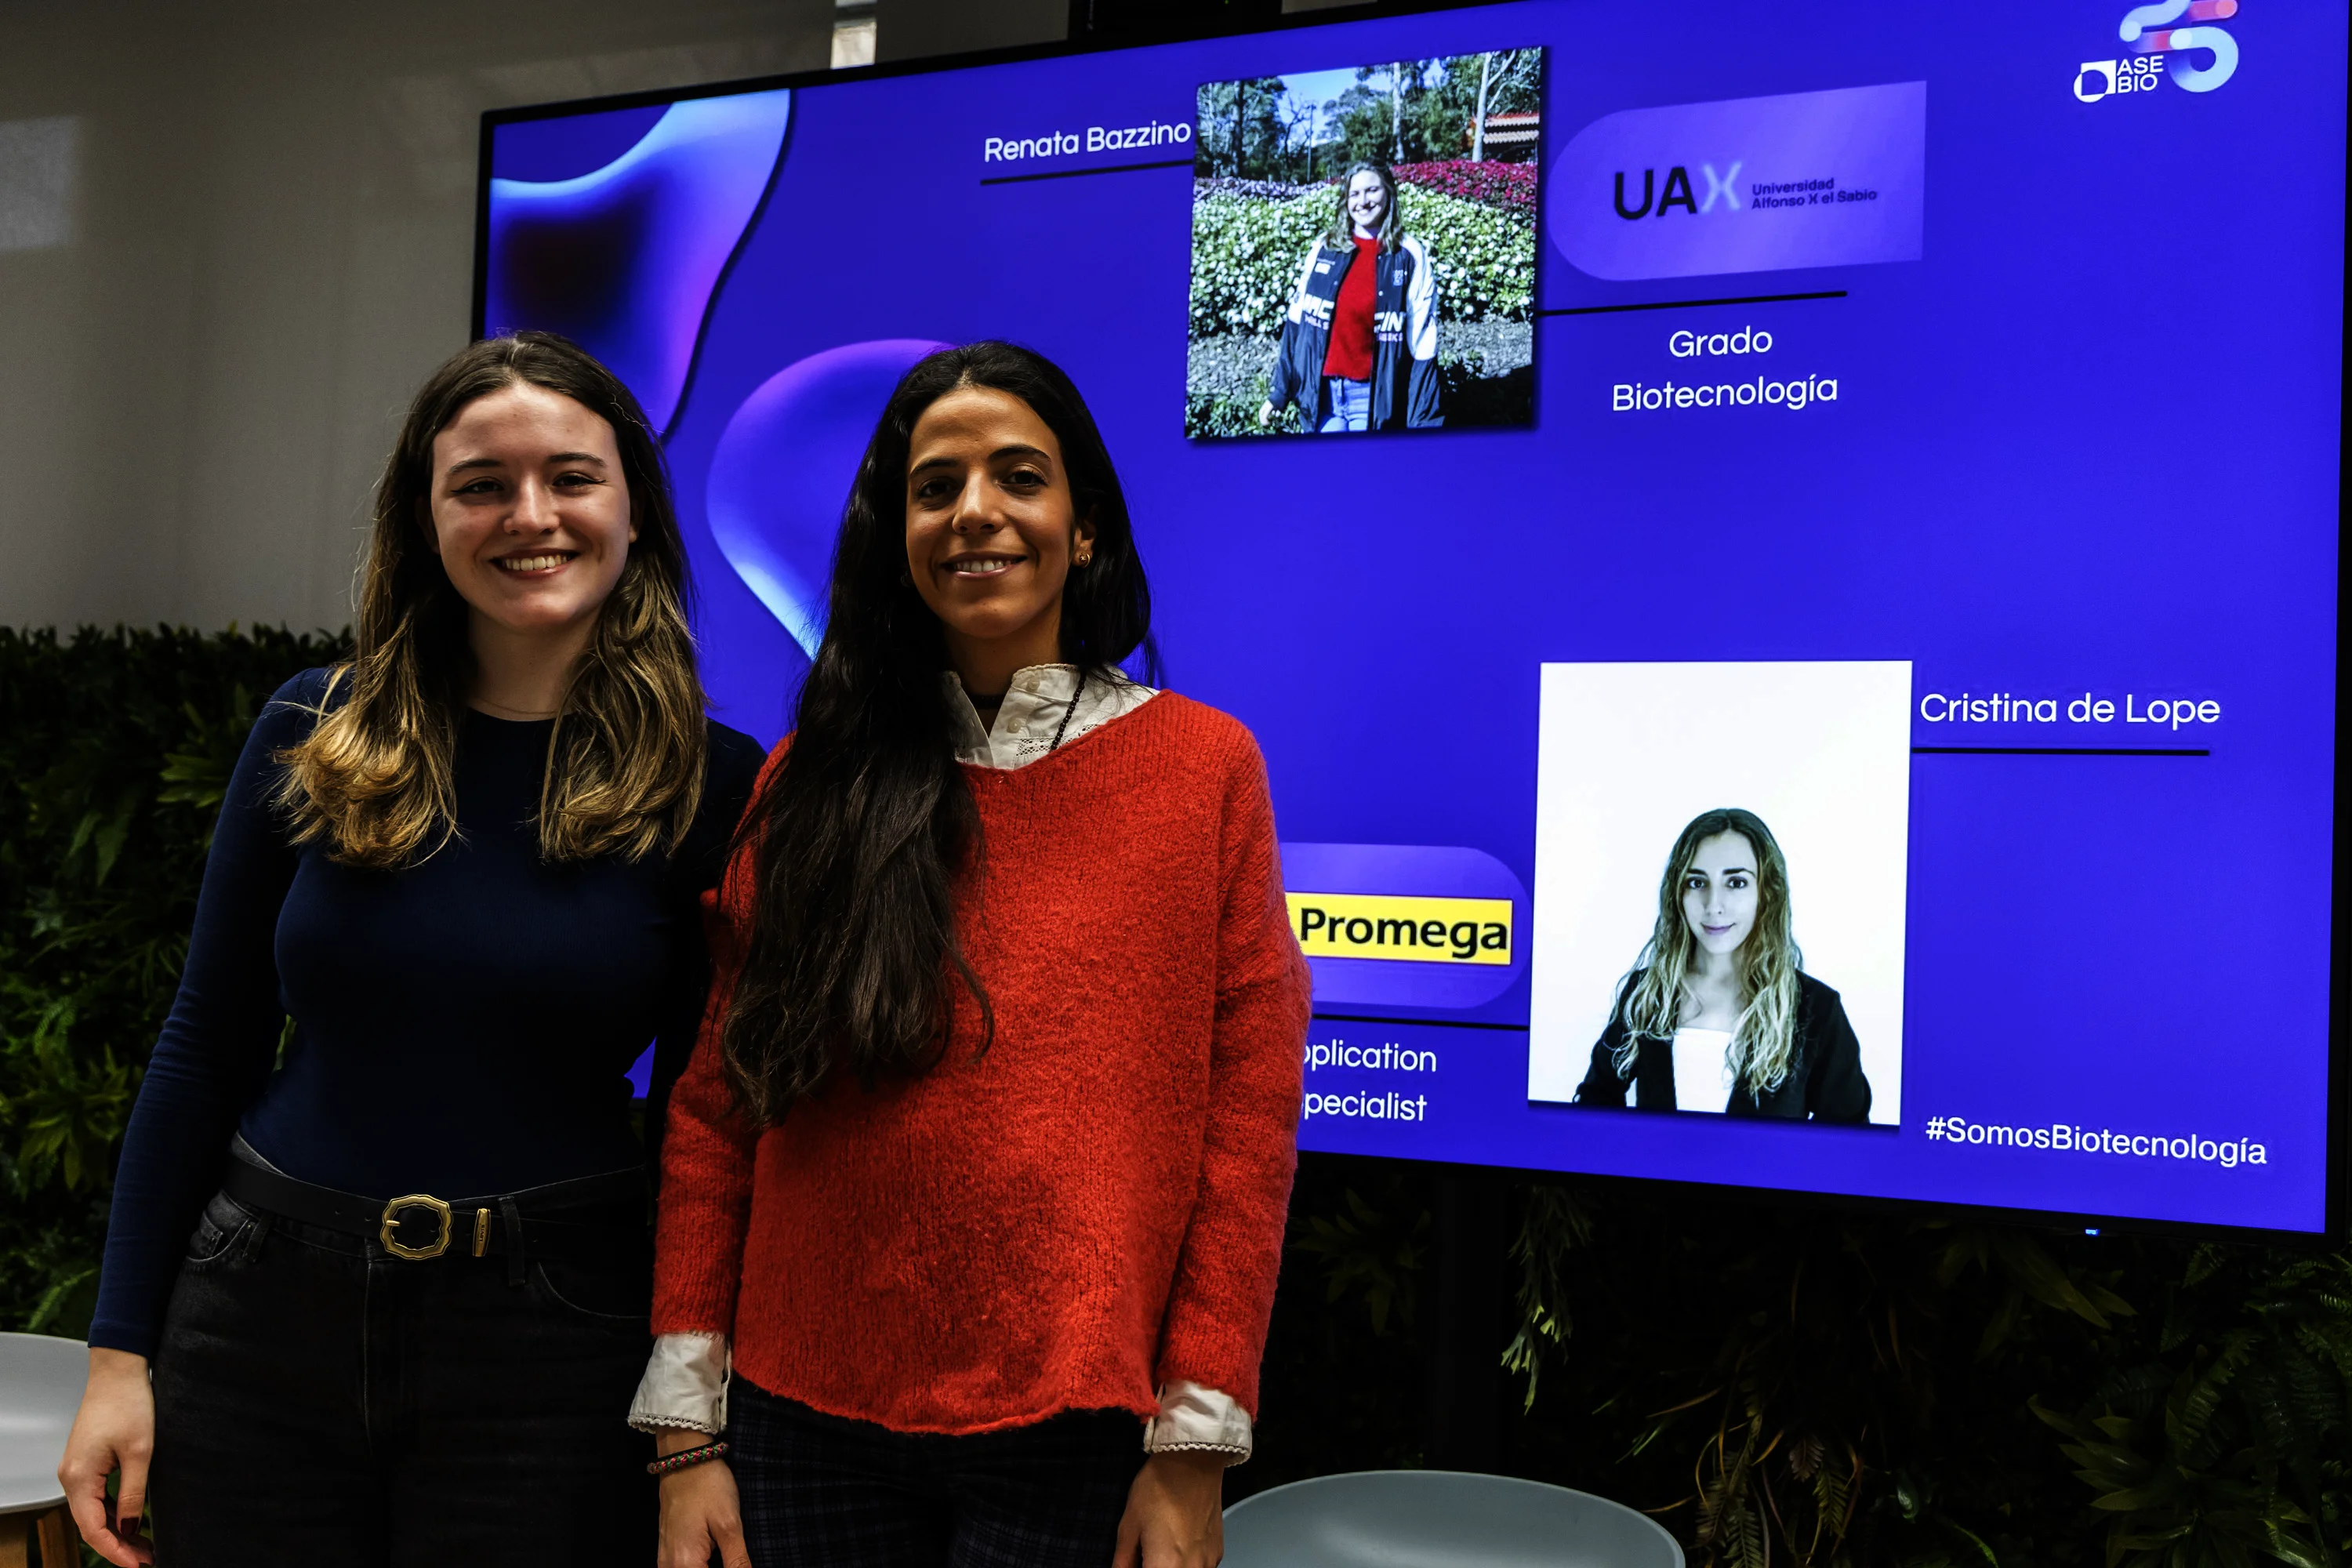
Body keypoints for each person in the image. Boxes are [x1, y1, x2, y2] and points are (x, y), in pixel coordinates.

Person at [56, 332, 766, 1567]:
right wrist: (119, 1356)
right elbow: (203, 1046)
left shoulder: (711, 782)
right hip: (258, 1318)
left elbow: (706, 1127)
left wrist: (690, 1422)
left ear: (634, 513)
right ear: (424, 521)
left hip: (556, 1343)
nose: (529, 516)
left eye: (572, 478)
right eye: (481, 485)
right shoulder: (312, 727)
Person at [641, 341, 1311, 1568]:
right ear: (897, 538)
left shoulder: (1207, 770)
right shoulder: (811, 781)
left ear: (1084, 527)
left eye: (1019, 476)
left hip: (1081, 1424)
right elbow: (717, 1109)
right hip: (801, 1424)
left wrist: (1196, 1444)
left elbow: (1248, 1127)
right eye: (936, 486)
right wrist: (686, 1439)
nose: (975, 512)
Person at [1573, 808, 1869, 1122]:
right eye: (1697, 882)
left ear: (1767, 893)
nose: (1713, 906)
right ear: (1678, 893)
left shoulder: (1816, 1010)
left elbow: (1849, 1138)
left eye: (1736, 883)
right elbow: (1593, 1105)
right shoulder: (1647, 995)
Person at [1258, 162, 1442, 434]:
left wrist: (1423, 423)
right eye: (1355, 193)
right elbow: (1298, 323)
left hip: (1371, 402)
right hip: (1324, 398)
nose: (1363, 201)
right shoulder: (1324, 247)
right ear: (1346, 200)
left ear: (1389, 192)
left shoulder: (1409, 254)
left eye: (1372, 191)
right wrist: (1279, 393)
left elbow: (1423, 341)